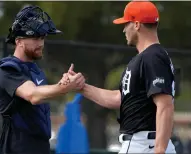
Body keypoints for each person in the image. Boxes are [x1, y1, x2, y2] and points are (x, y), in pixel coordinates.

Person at [60, 1, 176, 153]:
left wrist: (159, 150)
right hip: (143, 143)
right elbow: (119, 98)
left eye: (126, 24)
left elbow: (165, 105)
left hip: (146, 144)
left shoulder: (152, 56)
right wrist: (82, 87)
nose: (123, 30)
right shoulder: (145, 58)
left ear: (136, 25)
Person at [0, 5, 85, 154]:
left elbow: (42, 96)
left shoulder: (36, 71)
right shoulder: (7, 70)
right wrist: (63, 88)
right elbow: (33, 95)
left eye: (42, 38)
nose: (41, 43)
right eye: (35, 38)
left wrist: (63, 84)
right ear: (19, 41)